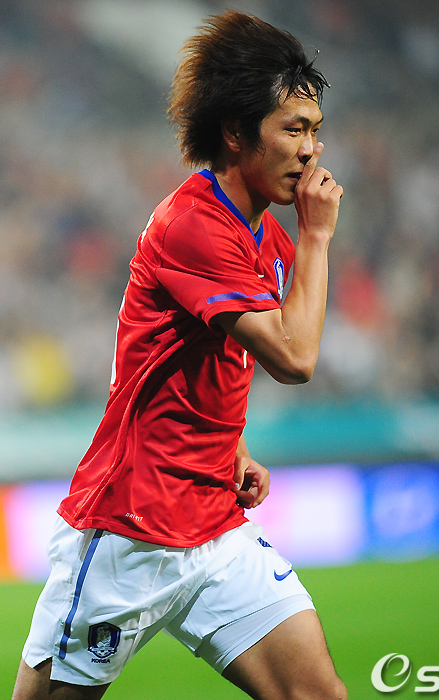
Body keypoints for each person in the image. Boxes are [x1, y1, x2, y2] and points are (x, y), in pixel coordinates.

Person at [12, 10, 346, 700]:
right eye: (293, 129)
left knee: (317, 694)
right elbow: (294, 360)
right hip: (131, 532)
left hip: (215, 527)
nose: (311, 151)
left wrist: (233, 446)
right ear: (235, 132)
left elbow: (203, 361)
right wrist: (317, 238)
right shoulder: (193, 226)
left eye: (315, 130)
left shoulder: (265, 238)